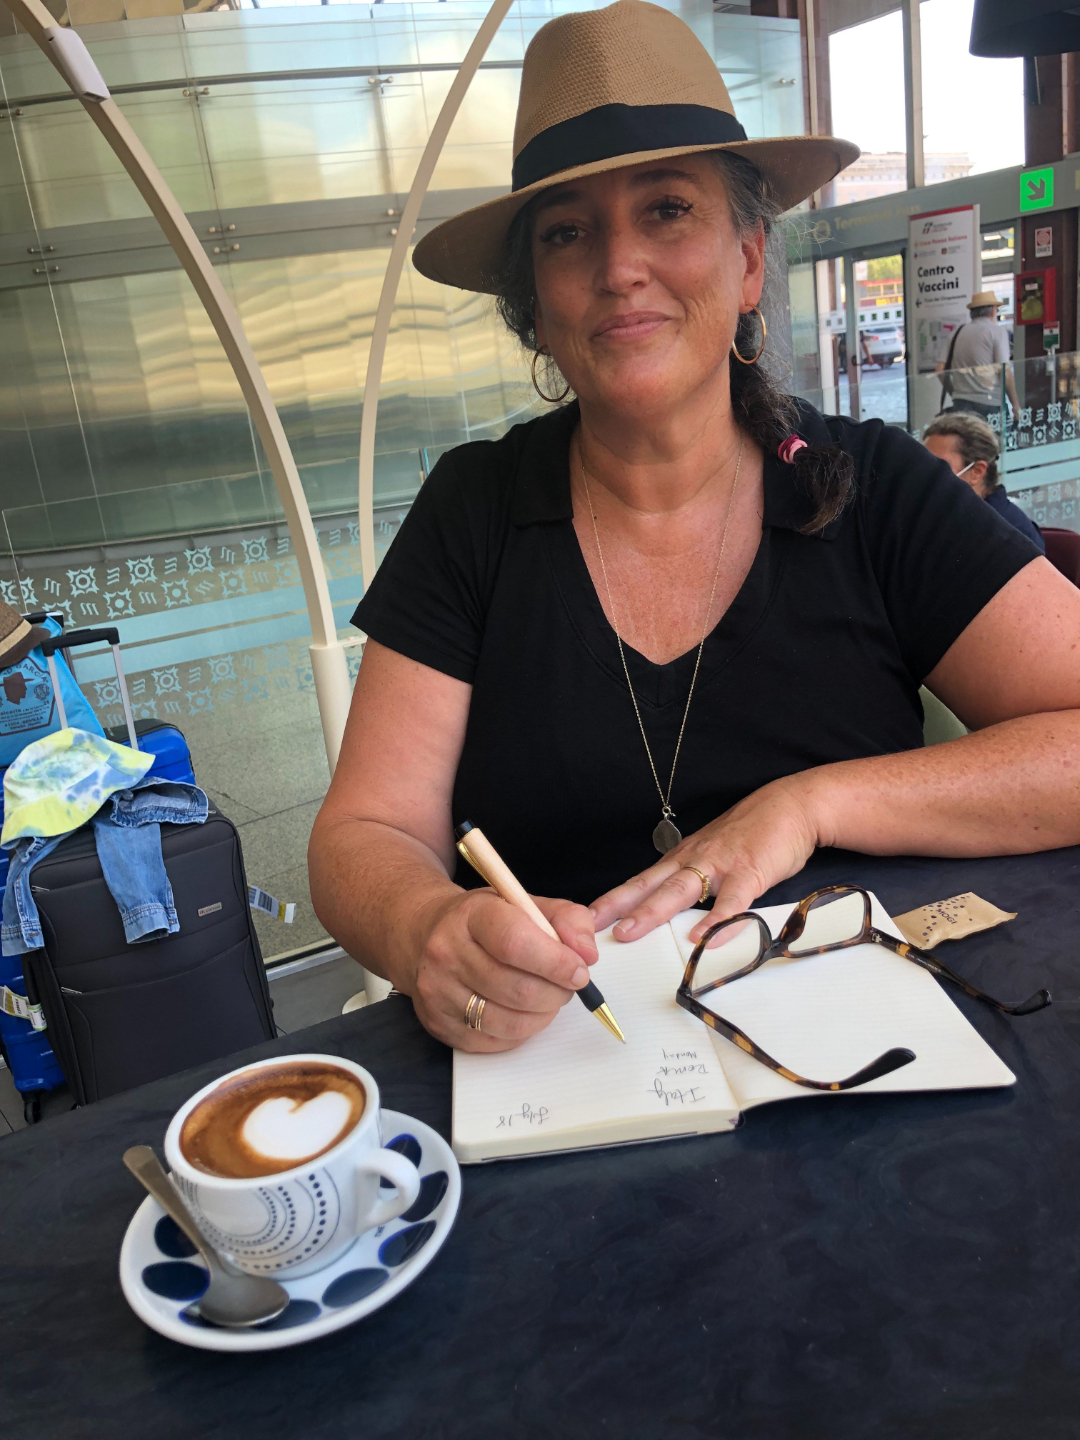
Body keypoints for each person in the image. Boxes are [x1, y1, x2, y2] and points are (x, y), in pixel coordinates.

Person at [309, 0, 1080, 1054]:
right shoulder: (474, 510)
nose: (619, 265)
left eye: (667, 209)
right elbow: (364, 833)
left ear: (749, 260)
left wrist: (811, 804)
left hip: (856, 1062)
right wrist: (425, 926)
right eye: (567, 231)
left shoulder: (872, 488)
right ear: (535, 304)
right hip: (560, 1067)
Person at [924, 412, 1044, 553]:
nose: (926, 474)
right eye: (924, 464)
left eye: (940, 466)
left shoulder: (1008, 534)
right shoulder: (947, 516)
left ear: (977, 471)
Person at [938, 291, 1020, 421]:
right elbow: (1004, 371)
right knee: (993, 435)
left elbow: (940, 370)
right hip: (990, 402)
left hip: (961, 403)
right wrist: (1015, 405)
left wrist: (955, 393)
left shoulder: (955, 333)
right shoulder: (997, 331)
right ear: (993, 311)